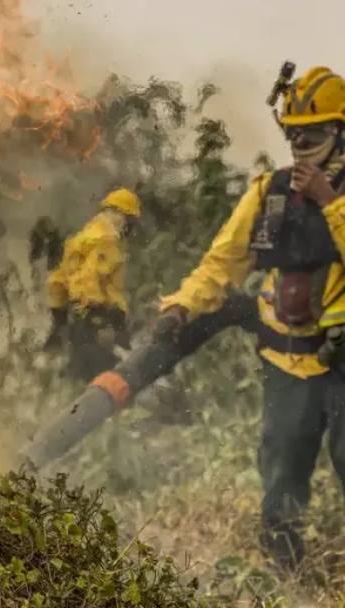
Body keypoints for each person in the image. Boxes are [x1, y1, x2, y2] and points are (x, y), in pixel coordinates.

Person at [153, 65, 345, 572]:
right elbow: (223, 262)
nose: (303, 144)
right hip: (287, 361)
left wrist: (330, 202)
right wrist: (183, 305)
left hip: (342, 363)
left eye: (317, 133)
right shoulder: (268, 192)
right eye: (295, 133)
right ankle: (286, 577)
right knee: (282, 472)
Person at [44, 188, 142, 382]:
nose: (129, 227)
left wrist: (59, 320)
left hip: (79, 320)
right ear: (119, 214)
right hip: (98, 321)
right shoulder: (106, 240)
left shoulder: (82, 239)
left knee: (81, 379)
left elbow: (58, 281)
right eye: (130, 220)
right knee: (108, 382)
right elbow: (89, 281)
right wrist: (100, 322)